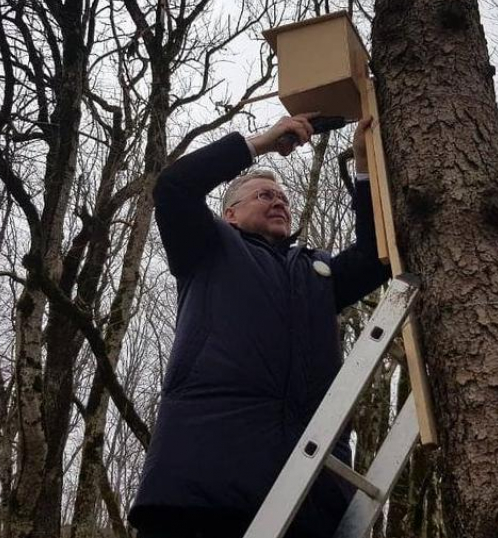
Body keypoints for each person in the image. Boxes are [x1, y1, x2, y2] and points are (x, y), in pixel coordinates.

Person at [128, 113, 391, 538]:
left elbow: (376, 254)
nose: (279, 202)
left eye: (283, 198)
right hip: (203, 490)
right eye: (264, 195)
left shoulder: (316, 271)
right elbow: (174, 187)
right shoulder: (208, 247)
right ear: (229, 214)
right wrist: (262, 143)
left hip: (306, 495)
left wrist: (364, 165)